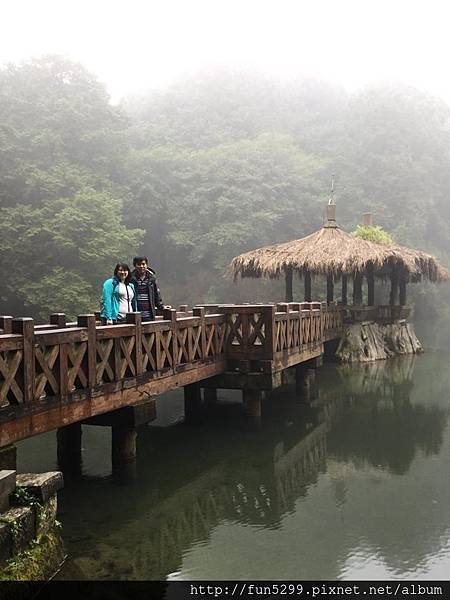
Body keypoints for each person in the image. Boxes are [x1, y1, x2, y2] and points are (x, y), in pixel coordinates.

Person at [130, 256, 164, 321]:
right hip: (135, 313)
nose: (141, 266)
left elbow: (157, 294)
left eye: (143, 264)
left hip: (149, 314)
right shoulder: (131, 279)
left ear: (146, 265)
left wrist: (162, 307)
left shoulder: (152, 278)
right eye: (139, 264)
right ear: (135, 265)